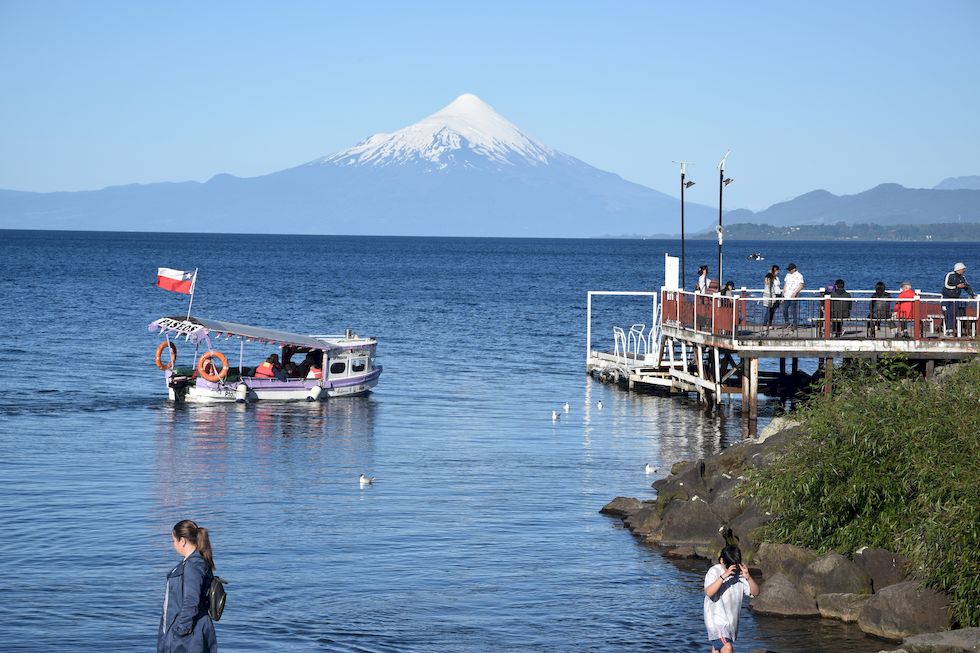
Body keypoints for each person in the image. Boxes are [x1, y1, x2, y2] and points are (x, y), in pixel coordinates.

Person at [159, 520, 217, 653]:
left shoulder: (193, 566)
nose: (173, 545)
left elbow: (191, 601)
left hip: (188, 637)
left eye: (174, 541)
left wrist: (180, 631)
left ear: (183, 541)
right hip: (191, 632)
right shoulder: (196, 562)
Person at [703, 545, 759, 653]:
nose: (731, 569)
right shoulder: (714, 571)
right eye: (728, 566)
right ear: (721, 561)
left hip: (731, 621)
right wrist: (724, 576)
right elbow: (709, 592)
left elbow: (755, 592)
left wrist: (748, 577)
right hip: (716, 620)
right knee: (727, 647)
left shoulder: (739, 575)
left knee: (718, 648)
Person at [941, 263, 976, 335]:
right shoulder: (950, 275)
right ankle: (947, 329)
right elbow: (946, 285)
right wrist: (957, 286)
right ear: (958, 269)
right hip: (946, 298)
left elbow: (967, 287)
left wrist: (972, 294)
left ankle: (951, 330)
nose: (964, 271)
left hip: (956, 298)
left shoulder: (962, 277)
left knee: (953, 313)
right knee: (946, 313)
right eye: (963, 269)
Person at [781, 263, 805, 328]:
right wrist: (783, 294)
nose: (789, 271)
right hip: (786, 295)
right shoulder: (787, 275)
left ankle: (794, 324)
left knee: (793, 310)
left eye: (790, 270)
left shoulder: (799, 275)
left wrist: (795, 293)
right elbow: (785, 284)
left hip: (793, 295)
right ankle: (787, 322)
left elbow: (801, 285)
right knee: (784, 309)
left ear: (794, 269)